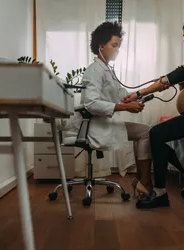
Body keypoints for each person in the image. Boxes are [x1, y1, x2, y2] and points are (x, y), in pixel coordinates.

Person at [122, 18, 184, 209]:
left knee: (156, 133)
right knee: (157, 136)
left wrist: (138, 93)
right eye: (183, 36)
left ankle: (160, 193)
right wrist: (144, 95)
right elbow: (166, 83)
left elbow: (167, 80)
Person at [65, 21, 153, 198]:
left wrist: (139, 96)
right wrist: (126, 106)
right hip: (96, 126)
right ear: (101, 46)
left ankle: (141, 181)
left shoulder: (107, 70)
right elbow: (91, 103)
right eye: (114, 45)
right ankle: (144, 182)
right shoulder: (94, 71)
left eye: (119, 46)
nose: (117, 50)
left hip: (105, 122)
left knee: (145, 132)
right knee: (145, 132)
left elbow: (122, 94)